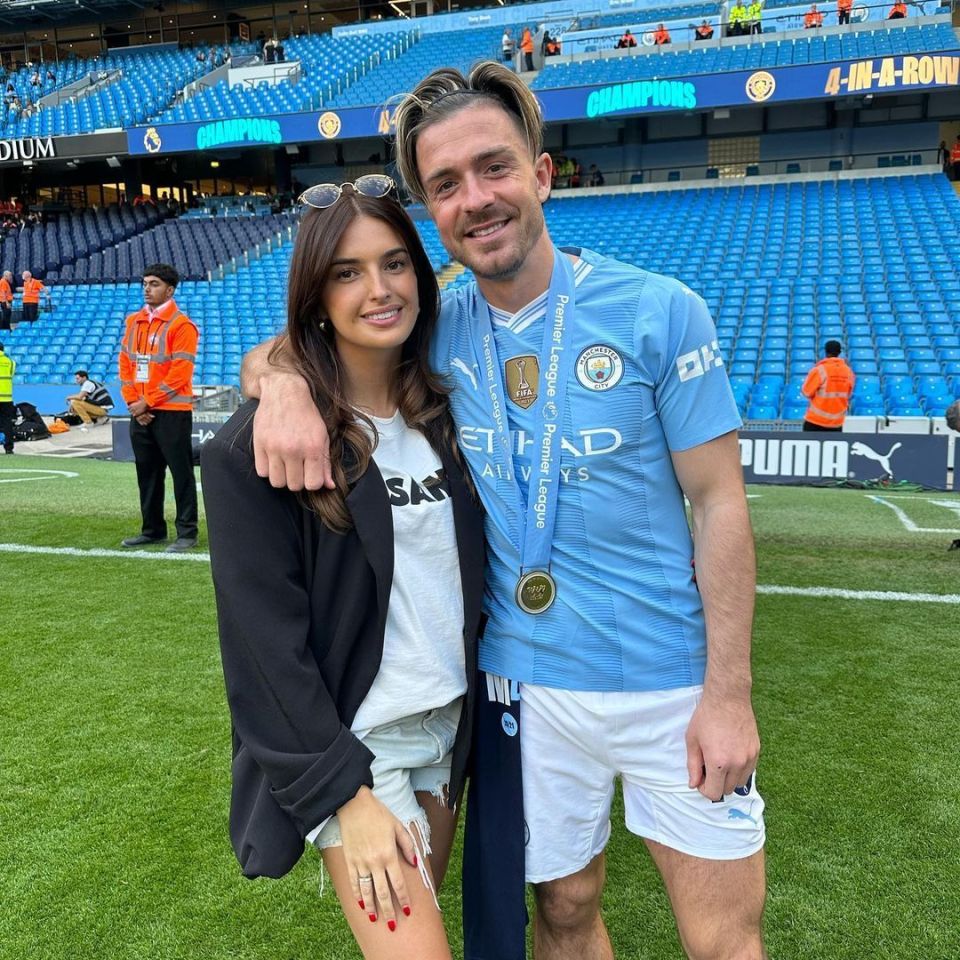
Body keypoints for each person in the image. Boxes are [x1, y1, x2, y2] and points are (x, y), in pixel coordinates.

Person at [244, 61, 766, 960]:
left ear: (543, 173)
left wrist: (729, 693)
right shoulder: (429, 327)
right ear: (429, 209)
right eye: (445, 185)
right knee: (561, 910)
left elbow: (720, 505)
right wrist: (283, 381)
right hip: (524, 688)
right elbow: (302, 335)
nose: (475, 199)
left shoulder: (657, 311)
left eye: (494, 168)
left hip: (669, 682)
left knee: (721, 939)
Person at [201, 176, 485, 960]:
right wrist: (346, 798)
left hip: (449, 733)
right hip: (363, 750)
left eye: (395, 264)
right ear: (314, 293)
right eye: (347, 272)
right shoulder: (257, 449)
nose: (380, 289)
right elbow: (262, 654)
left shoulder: (450, 413)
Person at [117, 264, 200, 552]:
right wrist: (133, 403)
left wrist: (147, 402)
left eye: (153, 283)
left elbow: (180, 373)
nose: (146, 288)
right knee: (147, 473)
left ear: (170, 289)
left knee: (181, 473)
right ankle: (152, 530)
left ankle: (187, 533)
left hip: (171, 413)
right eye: (144, 283)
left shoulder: (182, 326)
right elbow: (125, 365)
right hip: (140, 413)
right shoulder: (133, 322)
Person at [801, 340, 855, 432]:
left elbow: (806, 392)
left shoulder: (819, 370)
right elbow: (848, 393)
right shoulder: (848, 372)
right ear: (839, 353)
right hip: (837, 423)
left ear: (826, 352)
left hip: (815, 421)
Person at [0, 340, 14, 454]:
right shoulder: (10, 362)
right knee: (7, 423)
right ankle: (9, 448)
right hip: (7, 399)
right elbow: (11, 374)